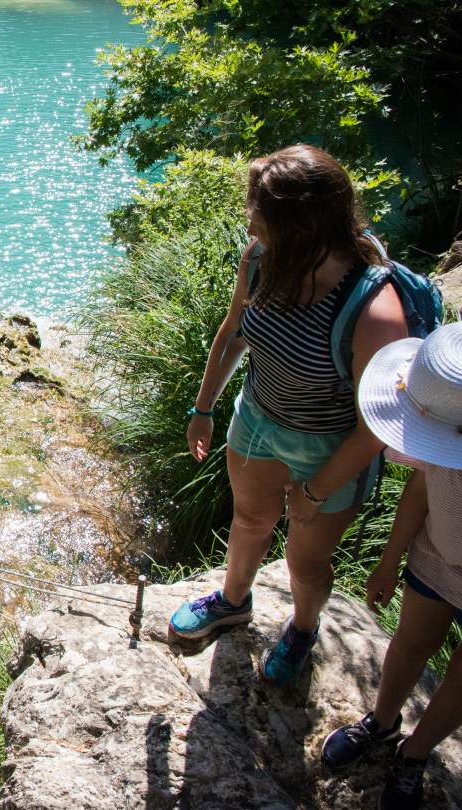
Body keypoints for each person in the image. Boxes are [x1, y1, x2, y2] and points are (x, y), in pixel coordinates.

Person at [168, 144, 407, 686]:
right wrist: (203, 408)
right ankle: (233, 601)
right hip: (257, 418)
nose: (247, 214)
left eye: (255, 206)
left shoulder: (375, 310)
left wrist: (318, 489)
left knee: (305, 561)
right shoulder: (261, 258)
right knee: (250, 520)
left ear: (295, 222)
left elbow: (377, 425)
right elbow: (234, 334)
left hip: (331, 447)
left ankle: (302, 629)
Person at [320, 323, 462, 810]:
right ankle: (381, 722)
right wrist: (389, 560)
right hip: (437, 555)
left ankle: (415, 754)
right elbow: (421, 489)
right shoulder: (450, 410)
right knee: (410, 644)